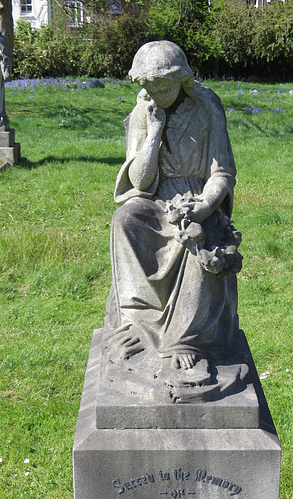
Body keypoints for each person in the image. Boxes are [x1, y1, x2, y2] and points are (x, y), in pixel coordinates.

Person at [103, 41, 243, 389]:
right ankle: (139, 322)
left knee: (198, 235)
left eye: (161, 85)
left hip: (198, 198)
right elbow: (140, 180)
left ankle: (184, 338)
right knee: (125, 220)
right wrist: (153, 132)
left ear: (181, 80)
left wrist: (206, 205)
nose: (153, 93)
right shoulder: (144, 110)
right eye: (147, 86)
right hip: (155, 202)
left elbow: (222, 172)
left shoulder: (207, 107)